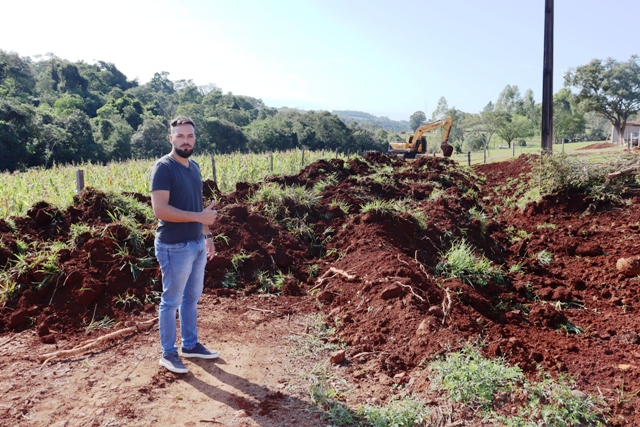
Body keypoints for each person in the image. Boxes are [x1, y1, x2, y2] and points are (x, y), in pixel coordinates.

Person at [150, 116, 220, 374]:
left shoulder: (194, 167)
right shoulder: (164, 168)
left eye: (189, 136)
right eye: (180, 136)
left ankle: (190, 345)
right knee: (171, 301)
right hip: (174, 246)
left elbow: (196, 207)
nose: (185, 140)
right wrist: (199, 218)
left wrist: (206, 234)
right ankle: (168, 353)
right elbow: (160, 210)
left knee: (191, 298)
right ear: (171, 139)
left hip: (196, 243)